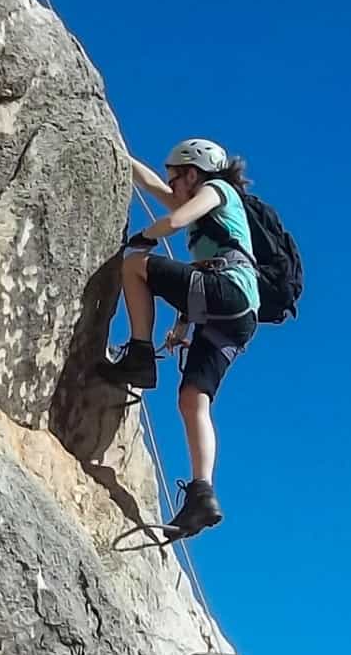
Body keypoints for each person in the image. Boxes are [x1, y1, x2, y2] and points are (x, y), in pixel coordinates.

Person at [103, 138, 260, 538]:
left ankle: (138, 353)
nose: (172, 187)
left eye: (177, 178)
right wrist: (120, 152)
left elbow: (172, 221)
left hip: (229, 291)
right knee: (193, 399)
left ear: (193, 173)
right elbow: (158, 191)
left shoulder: (216, 190)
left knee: (134, 266)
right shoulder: (206, 214)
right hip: (236, 315)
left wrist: (142, 238)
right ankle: (202, 494)